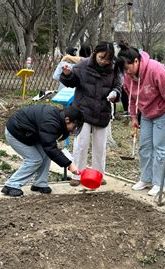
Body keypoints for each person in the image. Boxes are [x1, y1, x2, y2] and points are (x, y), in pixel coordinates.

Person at [117, 41, 165, 196]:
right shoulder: (128, 77)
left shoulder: (155, 69)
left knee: (161, 149)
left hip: (164, 112)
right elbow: (131, 98)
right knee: (144, 147)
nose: (126, 72)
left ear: (136, 61)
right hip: (146, 114)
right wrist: (133, 117)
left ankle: (160, 183)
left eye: (128, 68)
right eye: (124, 70)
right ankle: (146, 178)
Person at [60, 41, 122, 187]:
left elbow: (118, 87)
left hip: (102, 111)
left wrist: (115, 94)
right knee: (81, 144)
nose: (104, 61)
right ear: (95, 53)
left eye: (108, 59)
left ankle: (98, 175)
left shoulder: (114, 69)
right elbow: (71, 82)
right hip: (82, 111)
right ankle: (77, 174)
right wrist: (67, 75)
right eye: (101, 57)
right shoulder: (83, 65)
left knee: (100, 146)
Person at [1, 104, 83, 197]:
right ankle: (11, 185)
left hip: (30, 133)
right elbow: (50, 147)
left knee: (46, 154)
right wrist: (69, 164)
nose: (74, 129)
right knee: (34, 159)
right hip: (16, 133)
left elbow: (49, 146)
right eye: (74, 126)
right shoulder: (50, 122)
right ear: (67, 120)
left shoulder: (58, 118)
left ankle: (40, 183)